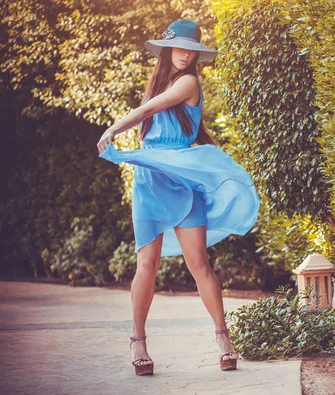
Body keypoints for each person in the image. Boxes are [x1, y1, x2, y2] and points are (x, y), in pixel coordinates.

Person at [96, 19, 260, 376]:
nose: (185, 54)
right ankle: (138, 341)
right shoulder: (157, 83)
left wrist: (112, 129)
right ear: (169, 49)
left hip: (182, 178)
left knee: (199, 263)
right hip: (150, 180)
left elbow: (148, 111)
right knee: (147, 264)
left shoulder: (189, 82)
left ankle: (223, 340)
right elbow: (149, 117)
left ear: (196, 54)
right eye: (180, 46)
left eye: (192, 49)